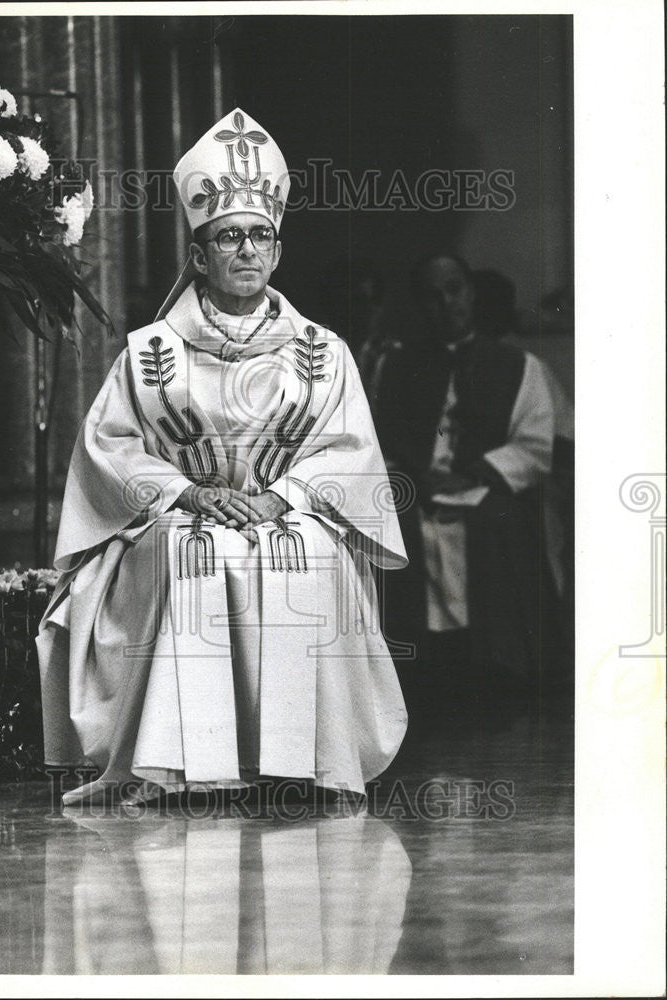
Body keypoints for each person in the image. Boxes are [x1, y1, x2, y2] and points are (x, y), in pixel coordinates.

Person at [36, 109, 409, 806]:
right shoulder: (151, 354)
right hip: (178, 516)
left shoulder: (323, 354)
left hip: (285, 511)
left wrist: (281, 498)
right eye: (228, 237)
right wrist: (187, 493)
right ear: (200, 255)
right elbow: (108, 448)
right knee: (192, 549)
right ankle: (180, 766)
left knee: (309, 551)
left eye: (259, 235)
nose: (246, 250)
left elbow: (350, 451)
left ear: (277, 250)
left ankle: (304, 763)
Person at [374, 252, 562, 707]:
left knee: (496, 521)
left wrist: (473, 476)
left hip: (487, 491)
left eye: (453, 290)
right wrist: (413, 475)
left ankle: (500, 669)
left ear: (471, 292)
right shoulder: (395, 366)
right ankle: (415, 675)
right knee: (394, 525)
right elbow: (377, 440)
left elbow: (536, 444)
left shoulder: (520, 366)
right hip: (418, 492)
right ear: (420, 304)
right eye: (431, 296)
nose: (445, 304)